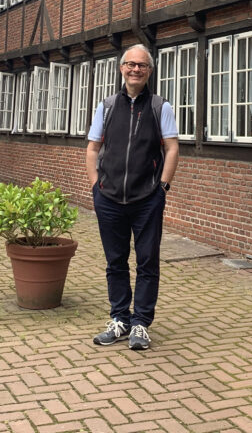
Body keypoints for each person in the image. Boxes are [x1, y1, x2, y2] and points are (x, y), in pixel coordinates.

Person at [87, 44, 179, 350]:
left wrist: (162, 188)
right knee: (115, 262)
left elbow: (172, 148)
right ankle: (119, 319)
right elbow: (92, 148)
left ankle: (140, 323)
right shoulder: (107, 106)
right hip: (109, 198)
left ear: (149, 71)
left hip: (147, 199)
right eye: (130, 64)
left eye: (142, 65)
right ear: (121, 68)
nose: (136, 69)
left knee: (147, 262)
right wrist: (95, 187)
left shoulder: (160, 107)